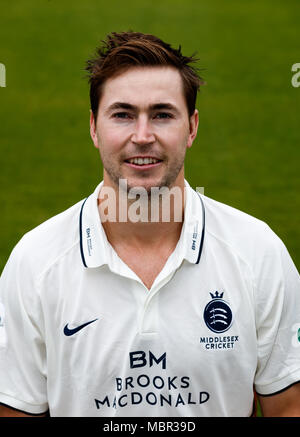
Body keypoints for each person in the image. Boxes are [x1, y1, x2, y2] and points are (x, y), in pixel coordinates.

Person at [0, 31, 300, 418]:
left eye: (162, 114)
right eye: (122, 114)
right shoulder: (34, 263)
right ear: (94, 127)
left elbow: (288, 406)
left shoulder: (258, 252)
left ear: (191, 128)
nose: (143, 137)